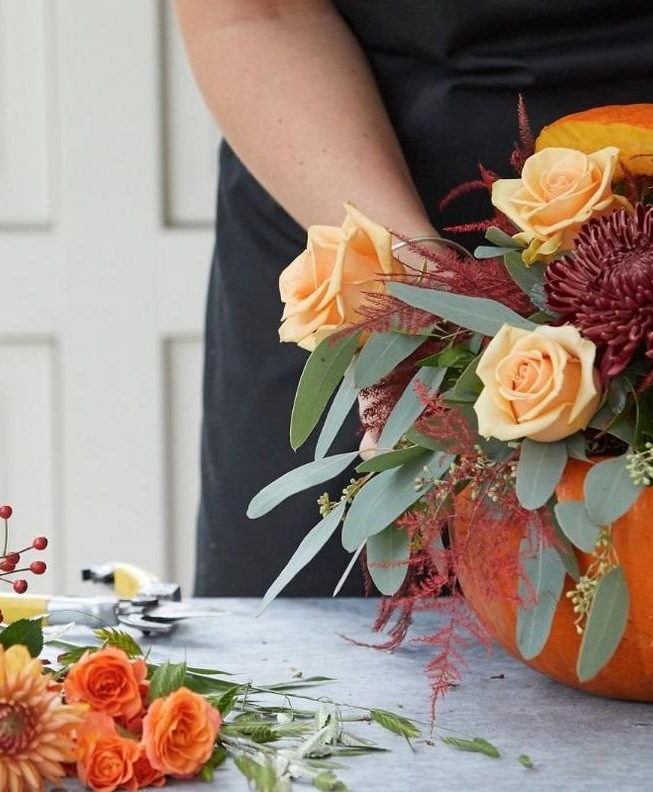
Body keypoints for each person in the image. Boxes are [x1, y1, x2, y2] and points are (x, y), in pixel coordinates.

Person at [175, 0, 653, 597]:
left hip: (636, 200)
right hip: (350, 189)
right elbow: (257, 14)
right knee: (331, 626)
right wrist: (413, 285)